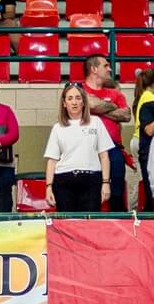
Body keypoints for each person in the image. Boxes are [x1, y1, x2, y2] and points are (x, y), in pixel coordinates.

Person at [43, 83, 113, 213]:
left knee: (89, 224)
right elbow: (52, 161)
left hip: (91, 179)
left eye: (78, 98)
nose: (74, 102)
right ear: (64, 103)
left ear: (84, 102)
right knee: (67, 224)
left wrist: (105, 183)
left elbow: (104, 156)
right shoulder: (58, 128)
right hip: (64, 181)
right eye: (70, 99)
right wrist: (48, 187)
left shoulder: (96, 122)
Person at [81, 55, 131, 210]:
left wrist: (97, 108)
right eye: (106, 65)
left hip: (113, 148)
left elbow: (126, 115)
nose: (110, 69)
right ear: (94, 69)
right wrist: (111, 107)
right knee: (91, 192)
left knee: (116, 191)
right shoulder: (79, 90)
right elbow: (88, 103)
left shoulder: (116, 94)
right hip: (87, 148)